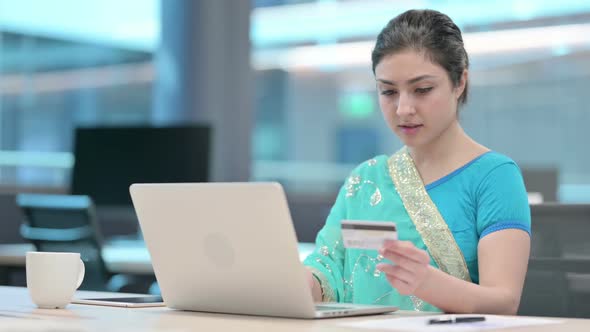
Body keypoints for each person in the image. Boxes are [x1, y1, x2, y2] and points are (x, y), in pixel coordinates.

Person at [303, 9, 531, 314]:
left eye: (422, 90)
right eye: (388, 91)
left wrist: (427, 282)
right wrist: (289, 282)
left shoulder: (495, 177)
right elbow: (326, 270)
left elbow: (504, 303)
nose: (403, 109)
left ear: (460, 81)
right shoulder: (365, 179)